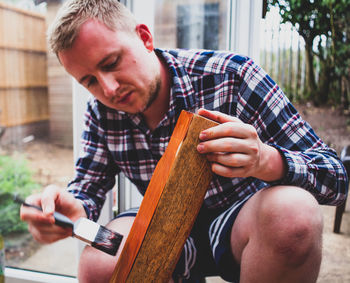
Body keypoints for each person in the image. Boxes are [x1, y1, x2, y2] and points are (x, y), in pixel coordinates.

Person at [20, 0, 348, 282]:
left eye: (111, 63)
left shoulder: (233, 76)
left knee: (294, 214)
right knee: (98, 263)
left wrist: (265, 160)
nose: (108, 89)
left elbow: (335, 178)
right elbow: (86, 191)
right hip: (161, 223)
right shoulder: (101, 112)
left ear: (145, 38)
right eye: (89, 80)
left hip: (242, 225)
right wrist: (68, 209)